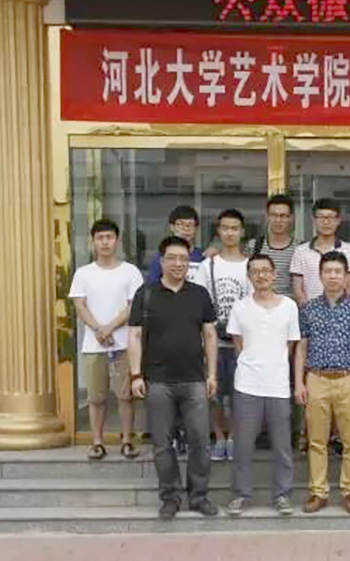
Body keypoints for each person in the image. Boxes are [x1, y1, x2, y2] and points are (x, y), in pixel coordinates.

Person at [128, 236, 219, 520]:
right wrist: (135, 375)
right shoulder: (146, 294)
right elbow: (134, 336)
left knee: (200, 442)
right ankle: (170, 497)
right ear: (162, 261)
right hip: (158, 381)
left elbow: (210, 335)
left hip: (194, 380)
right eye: (172, 258)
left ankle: (199, 496)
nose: (178, 263)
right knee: (162, 444)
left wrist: (212, 374)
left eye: (183, 259)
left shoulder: (199, 294)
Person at [295, 251, 350, 515]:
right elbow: (301, 348)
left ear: (346, 277)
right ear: (320, 276)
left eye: (338, 272)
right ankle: (318, 492)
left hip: (349, 378)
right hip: (316, 378)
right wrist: (299, 382)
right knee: (316, 441)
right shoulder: (309, 309)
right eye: (328, 271)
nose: (333, 276)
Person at [225, 254, 300, 517]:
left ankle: (282, 495)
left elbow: (291, 345)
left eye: (266, 270)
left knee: (282, 445)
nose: (261, 275)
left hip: (278, 384)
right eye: (255, 271)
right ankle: (241, 494)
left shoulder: (289, 306)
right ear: (249, 276)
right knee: (243, 445)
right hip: (247, 384)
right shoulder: (240, 307)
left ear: (274, 274)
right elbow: (238, 345)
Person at [68, 219, 144, 460]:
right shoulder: (83, 273)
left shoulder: (130, 272)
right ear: (93, 242)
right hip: (93, 346)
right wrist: (98, 330)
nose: (105, 242)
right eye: (100, 238)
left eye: (109, 237)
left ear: (117, 240)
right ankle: (97, 442)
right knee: (96, 398)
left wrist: (109, 328)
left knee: (125, 396)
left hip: (124, 344)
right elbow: (80, 306)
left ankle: (127, 440)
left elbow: (133, 306)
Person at [194, 209, 251, 462]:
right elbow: (198, 300)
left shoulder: (251, 265)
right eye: (225, 228)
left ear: (242, 231)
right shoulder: (208, 265)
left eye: (235, 228)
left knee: (241, 394)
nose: (230, 233)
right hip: (213, 341)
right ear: (218, 230)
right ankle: (218, 436)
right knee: (214, 392)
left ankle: (235, 438)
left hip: (243, 342)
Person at [291, 198, 350, 304]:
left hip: (342, 311)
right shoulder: (301, 251)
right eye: (321, 217)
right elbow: (298, 290)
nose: (326, 222)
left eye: (331, 217)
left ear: (338, 220)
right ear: (314, 220)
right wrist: (309, 310)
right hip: (310, 310)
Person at [243, 194, 300, 297]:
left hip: (290, 305)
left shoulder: (300, 249)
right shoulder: (254, 246)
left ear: (291, 218)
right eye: (274, 215)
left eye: (283, 216)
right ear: (267, 217)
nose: (278, 220)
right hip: (260, 303)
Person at [146, 205, 205, 285]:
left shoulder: (203, 256)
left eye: (190, 225)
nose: (185, 229)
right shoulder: (160, 257)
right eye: (181, 224)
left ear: (196, 229)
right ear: (172, 227)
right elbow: (152, 286)